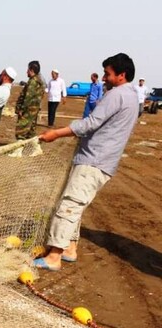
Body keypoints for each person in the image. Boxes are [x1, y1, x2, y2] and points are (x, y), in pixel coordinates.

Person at [33, 53, 138, 271]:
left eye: (108, 74)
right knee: (76, 205)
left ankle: (54, 257)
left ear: (122, 75)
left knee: (69, 205)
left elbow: (90, 123)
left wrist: (57, 133)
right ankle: (70, 248)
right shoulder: (131, 95)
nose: (104, 78)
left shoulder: (116, 94)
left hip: (94, 161)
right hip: (103, 162)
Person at [15, 60, 45, 140]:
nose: (26, 72)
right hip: (34, 109)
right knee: (31, 131)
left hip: (28, 110)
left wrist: (21, 109)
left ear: (31, 70)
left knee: (21, 131)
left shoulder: (33, 81)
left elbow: (28, 97)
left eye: (28, 69)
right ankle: (30, 149)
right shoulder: (39, 81)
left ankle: (20, 149)